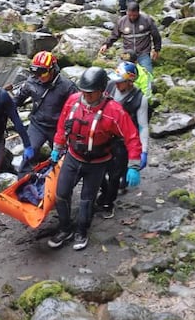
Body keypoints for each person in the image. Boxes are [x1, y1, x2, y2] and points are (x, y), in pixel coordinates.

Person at [47, 67, 141, 251]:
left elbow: (131, 137)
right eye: (84, 91)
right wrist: (57, 147)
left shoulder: (114, 111)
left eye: (90, 93)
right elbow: (62, 124)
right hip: (73, 156)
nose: (86, 96)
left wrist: (134, 165)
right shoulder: (73, 101)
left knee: (86, 200)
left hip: (97, 163)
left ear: (101, 90)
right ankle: (65, 228)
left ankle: (82, 231)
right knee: (61, 194)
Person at [96, 61, 150, 218]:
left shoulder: (140, 99)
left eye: (121, 81)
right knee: (98, 168)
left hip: (123, 141)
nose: (117, 84)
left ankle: (108, 203)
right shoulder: (110, 87)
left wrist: (143, 151)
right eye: (116, 80)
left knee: (115, 174)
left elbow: (143, 126)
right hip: (104, 135)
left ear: (130, 81)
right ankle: (104, 191)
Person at [12, 51, 78, 174]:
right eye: (35, 72)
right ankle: (22, 182)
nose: (40, 76)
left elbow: (77, 109)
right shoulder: (32, 82)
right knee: (29, 154)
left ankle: (58, 185)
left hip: (58, 128)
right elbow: (17, 99)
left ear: (53, 69)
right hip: (38, 125)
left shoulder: (67, 87)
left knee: (63, 160)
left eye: (43, 72)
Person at [98, 1, 162, 74]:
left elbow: (156, 35)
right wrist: (106, 44)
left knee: (147, 75)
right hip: (127, 53)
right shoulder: (121, 22)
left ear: (138, 12)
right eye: (130, 15)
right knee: (122, 74)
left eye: (134, 15)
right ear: (127, 12)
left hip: (143, 53)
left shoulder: (147, 20)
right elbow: (114, 35)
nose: (132, 17)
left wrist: (156, 49)